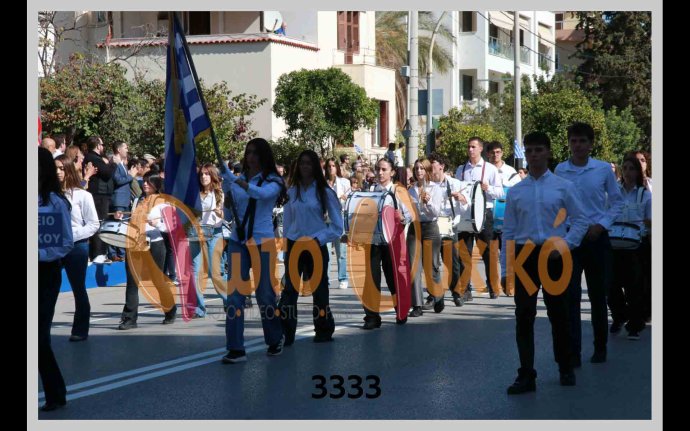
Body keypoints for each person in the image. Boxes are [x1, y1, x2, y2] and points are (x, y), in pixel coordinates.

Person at [502, 131, 588, 394]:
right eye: (529, 151)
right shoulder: (516, 191)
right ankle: (526, 374)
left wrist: (565, 245)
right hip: (525, 255)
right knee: (524, 315)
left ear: (548, 153)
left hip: (554, 255)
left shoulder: (563, 187)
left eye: (539, 150)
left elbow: (581, 220)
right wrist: (506, 269)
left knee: (559, 314)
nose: (534, 155)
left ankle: (565, 366)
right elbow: (508, 232)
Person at [554, 122, 624, 366]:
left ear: (591, 144)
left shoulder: (602, 169)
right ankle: (574, 352)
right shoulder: (561, 170)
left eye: (582, 141)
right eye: (573, 141)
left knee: (597, 296)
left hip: (596, 237)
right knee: (571, 297)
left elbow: (617, 202)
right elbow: (557, 204)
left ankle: (600, 347)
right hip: (571, 238)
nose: (578, 145)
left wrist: (601, 225)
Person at [220, 138, 286, 363]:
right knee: (234, 296)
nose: (251, 157)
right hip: (238, 241)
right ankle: (235, 348)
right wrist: (227, 195)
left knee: (264, 295)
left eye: (256, 153)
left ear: (264, 156)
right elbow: (228, 215)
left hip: (262, 241)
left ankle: (275, 338)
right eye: (248, 152)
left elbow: (261, 195)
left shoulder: (273, 180)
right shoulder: (239, 180)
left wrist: (234, 181)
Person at [279, 150, 341, 344]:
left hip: (316, 245)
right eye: (302, 163)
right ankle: (285, 333)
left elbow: (338, 226)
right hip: (294, 245)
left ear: (315, 167)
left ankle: (323, 329)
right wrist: (285, 248)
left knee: (320, 290)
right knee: (290, 290)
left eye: (309, 163)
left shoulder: (324, 192)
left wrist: (319, 239)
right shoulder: (291, 191)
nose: (305, 166)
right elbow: (287, 223)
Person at [117, 173, 178, 330]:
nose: (145, 184)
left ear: (156, 185)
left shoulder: (163, 202)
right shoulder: (138, 200)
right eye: (144, 182)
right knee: (132, 282)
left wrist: (157, 224)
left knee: (157, 280)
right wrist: (122, 218)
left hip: (155, 244)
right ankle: (129, 318)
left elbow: (171, 226)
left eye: (149, 182)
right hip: (135, 243)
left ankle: (170, 309)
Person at [38, 147, 73, 411]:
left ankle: (55, 392)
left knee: (38, 339)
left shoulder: (54, 202)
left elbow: (63, 243)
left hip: (45, 274)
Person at [360, 157, 412, 329]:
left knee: (394, 278)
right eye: (378, 169)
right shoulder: (370, 190)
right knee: (371, 279)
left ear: (392, 172)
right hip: (374, 240)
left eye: (384, 169)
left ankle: (401, 311)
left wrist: (402, 217)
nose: (380, 173)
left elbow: (410, 215)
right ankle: (372, 317)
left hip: (392, 241)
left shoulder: (398, 191)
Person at [55, 155, 99, 341]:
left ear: (69, 170)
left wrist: (71, 237)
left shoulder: (83, 195)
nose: (58, 172)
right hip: (53, 247)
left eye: (61, 168)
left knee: (78, 288)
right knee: (47, 289)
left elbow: (93, 224)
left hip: (76, 246)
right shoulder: (47, 195)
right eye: (55, 168)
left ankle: (80, 330)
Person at [607, 154, 651, 340]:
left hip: (636, 246)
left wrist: (645, 223)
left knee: (634, 287)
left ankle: (635, 324)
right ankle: (618, 316)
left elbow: (651, 221)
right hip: (614, 244)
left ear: (638, 172)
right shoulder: (613, 193)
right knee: (612, 285)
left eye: (631, 168)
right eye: (625, 168)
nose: (627, 172)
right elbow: (606, 213)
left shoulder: (644, 194)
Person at [455, 137, 504, 300]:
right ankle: (465, 289)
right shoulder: (461, 169)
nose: (470, 150)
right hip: (466, 214)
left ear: (481, 149)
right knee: (464, 252)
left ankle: (493, 286)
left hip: (484, 214)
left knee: (488, 252)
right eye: (469, 147)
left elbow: (500, 192)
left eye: (473, 147)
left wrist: (487, 188)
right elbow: (457, 188)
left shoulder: (490, 169)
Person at [423, 152, 468, 310]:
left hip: (448, 225)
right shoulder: (426, 184)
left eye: (433, 162)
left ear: (441, 166)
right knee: (431, 264)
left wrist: (461, 199)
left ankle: (456, 292)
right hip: (431, 226)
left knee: (452, 263)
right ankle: (433, 295)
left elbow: (466, 206)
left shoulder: (454, 183)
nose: (430, 165)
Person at [406, 158, 443, 317]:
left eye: (422, 168)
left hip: (430, 228)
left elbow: (436, 212)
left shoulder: (435, 188)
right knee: (414, 267)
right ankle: (417, 305)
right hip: (415, 228)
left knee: (431, 267)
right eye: (416, 169)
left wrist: (428, 203)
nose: (419, 171)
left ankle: (437, 294)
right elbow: (408, 212)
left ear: (427, 170)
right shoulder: (411, 190)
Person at [189, 163, 225, 318]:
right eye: (201, 174)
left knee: (214, 272)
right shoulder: (194, 193)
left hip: (214, 233)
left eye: (207, 174)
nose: (203, 177)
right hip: (196, 232)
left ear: (212, 175)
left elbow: (224, 216)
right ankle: (199, 308)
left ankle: (229, 299)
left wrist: (219, 212)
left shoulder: (219, 193)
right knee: (194, 271)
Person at [84, 136, 116, 263]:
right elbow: (107, 174)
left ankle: (100, 253)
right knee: (100, 224)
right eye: (102, 145)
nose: (103, 147)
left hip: (102, 196)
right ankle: (98, 254)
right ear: (98, 146)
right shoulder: (94, 158)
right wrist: (113, 164)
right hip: (99, 196)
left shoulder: (95, 158)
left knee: (102, 223)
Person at [325, 157, 351, 289]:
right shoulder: (322, 183)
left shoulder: (344, 182)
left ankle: (343, 278)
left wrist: (345, 199)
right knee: (326, 253)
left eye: (333, 166)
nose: (331, 168)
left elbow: (350, 201)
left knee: (341, 252)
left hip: (339, 218)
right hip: (326, 220)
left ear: (337, 167)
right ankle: (325, 279)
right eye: (329, 166)